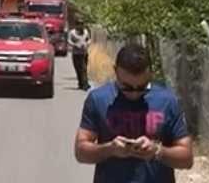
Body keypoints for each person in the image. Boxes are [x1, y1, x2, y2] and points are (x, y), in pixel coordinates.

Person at [74, 43, 194, 181]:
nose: (135, 94)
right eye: (127, 87)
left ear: (150, 74)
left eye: (142, 87)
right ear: (116, 71)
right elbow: (80, 151)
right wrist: (110, 149)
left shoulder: (167, 101)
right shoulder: (98, 99)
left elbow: (187, 158)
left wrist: (157, 151)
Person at [69, 20, 92, 90]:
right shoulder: (72, 33)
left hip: (84, 53)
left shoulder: (85, 32)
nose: (81, 25)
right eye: (79, 24)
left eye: (82, 24)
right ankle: (81, 83)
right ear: (76, 25)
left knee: (84, 68)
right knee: (78, 69)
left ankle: (85, 84)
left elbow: (89, 39)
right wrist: (75, 45)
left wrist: (87, 44)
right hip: (76, 54)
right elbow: (69, 41)